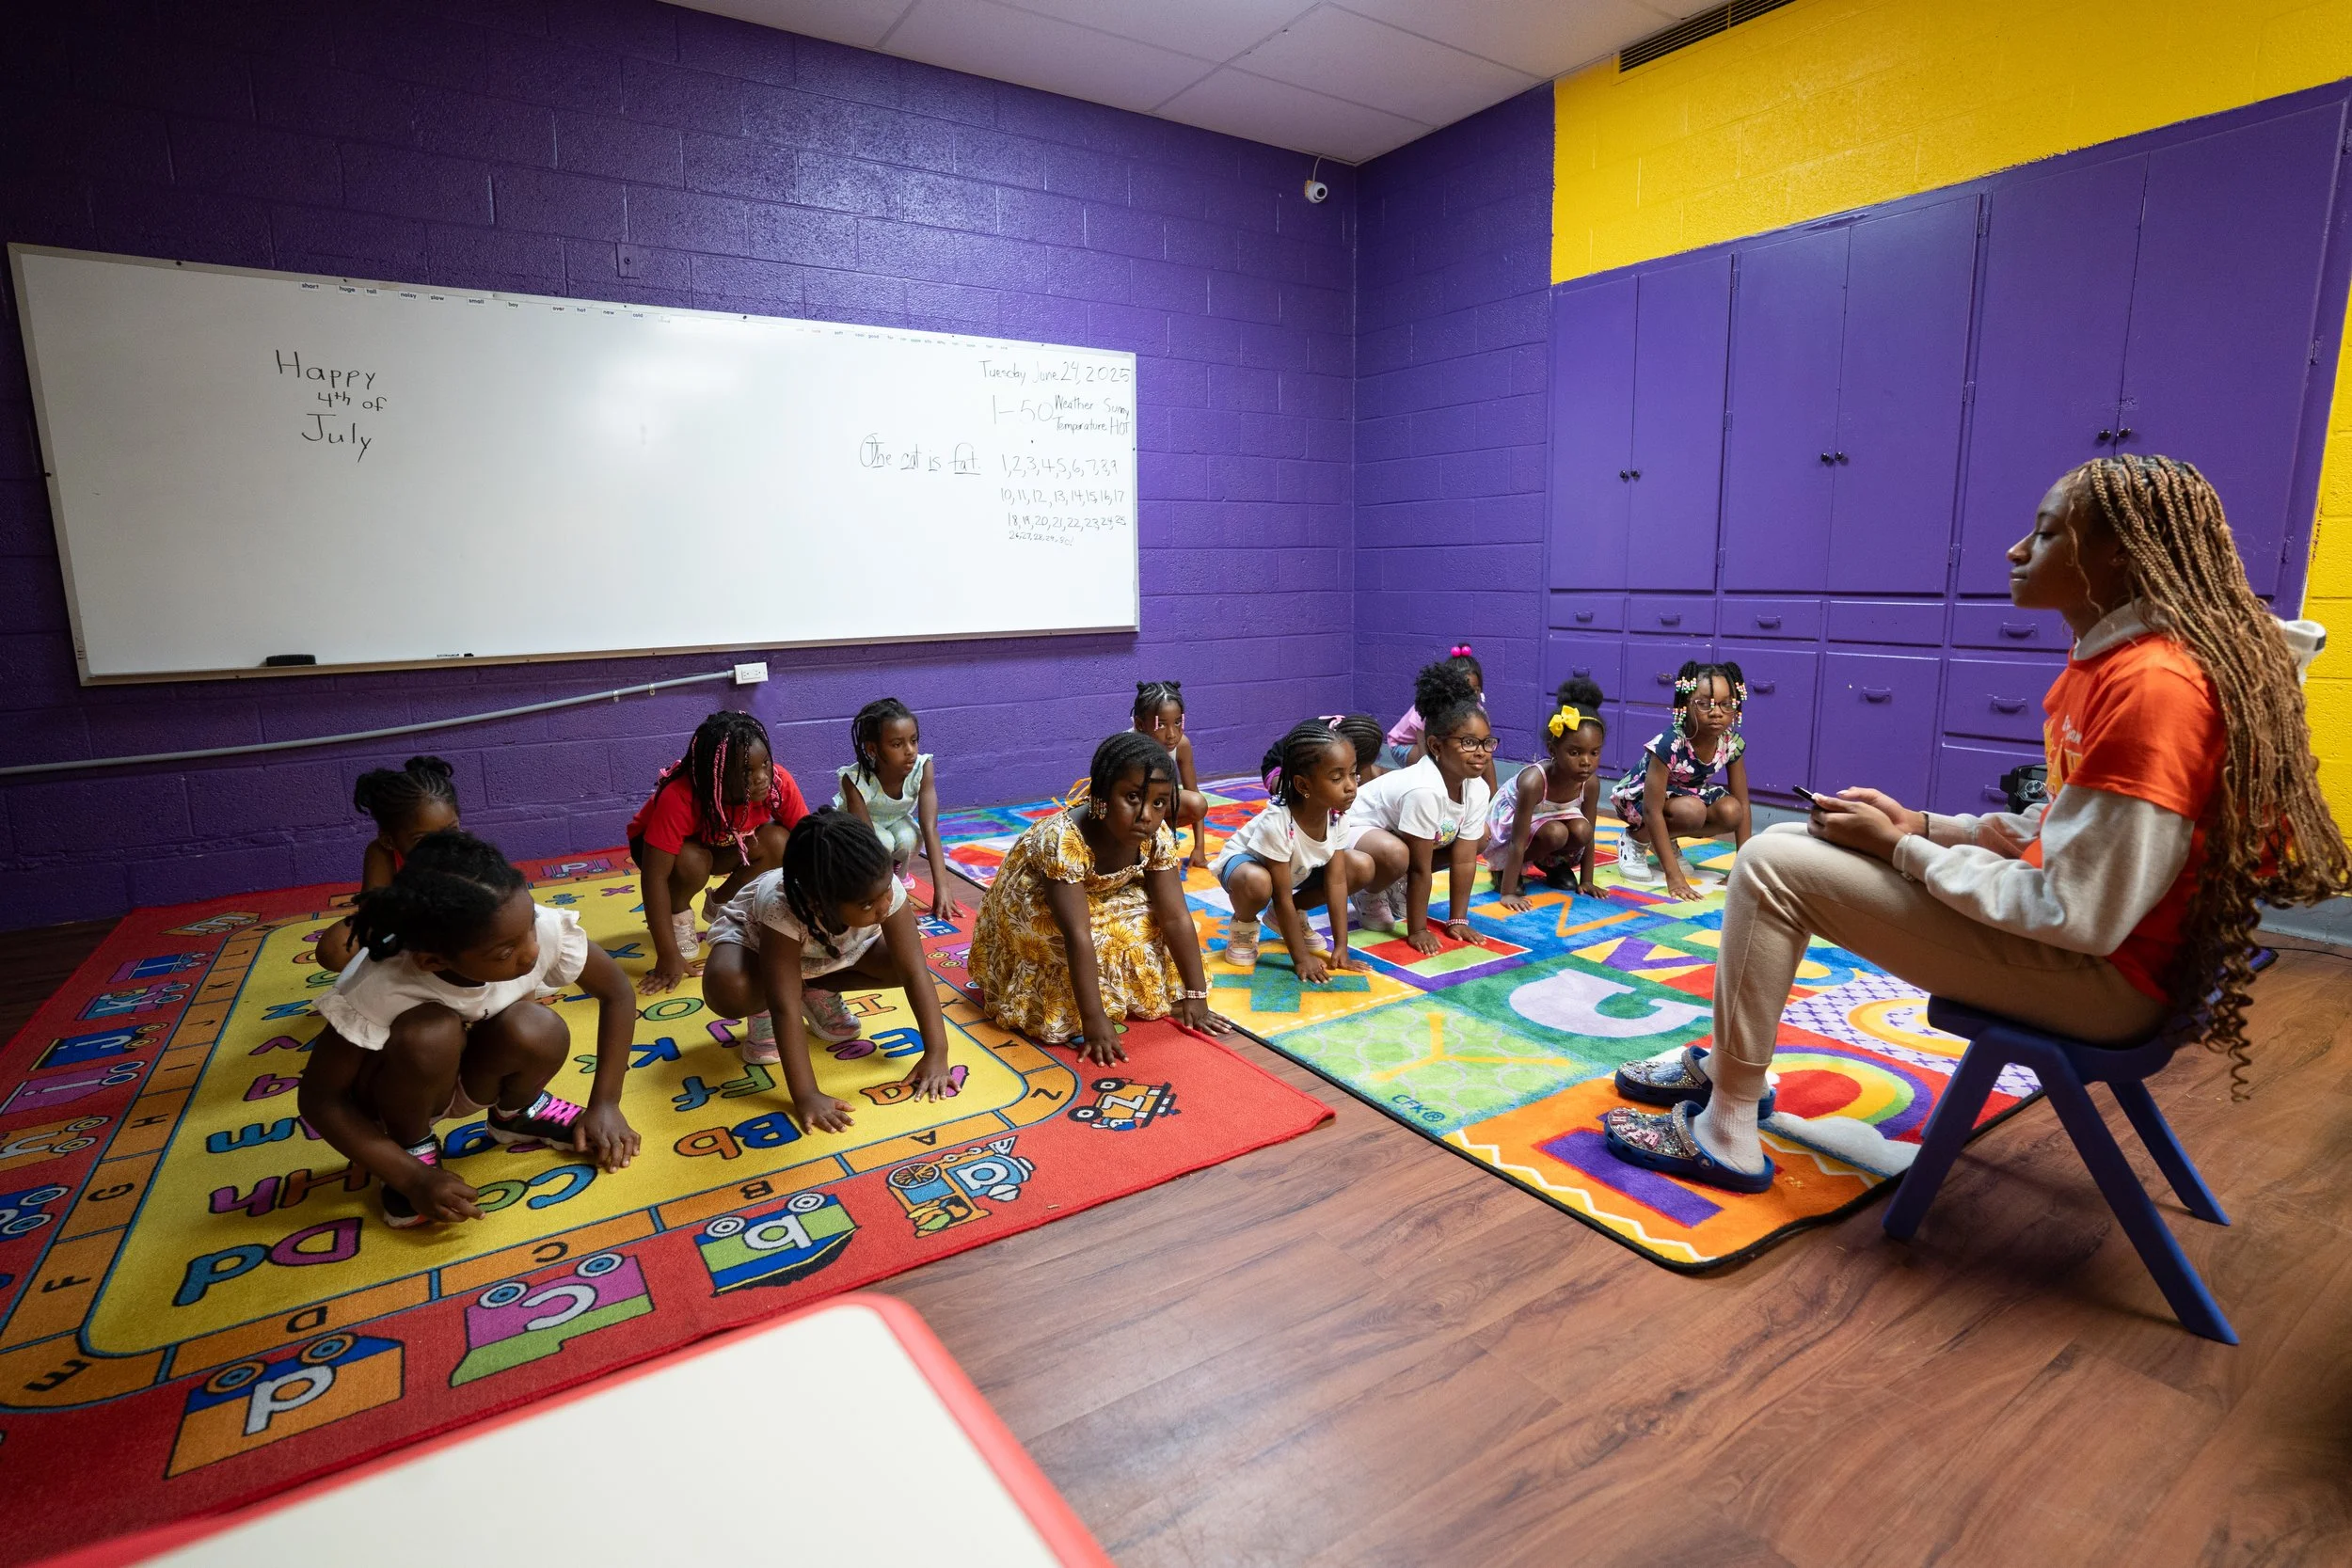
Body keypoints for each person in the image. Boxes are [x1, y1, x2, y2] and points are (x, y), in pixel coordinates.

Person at [1603, 454, 2352, 1192]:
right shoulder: (2127, 660)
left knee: (1770, 865)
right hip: (2107, 957)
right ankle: (1735, 1066)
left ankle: (1727, 1127)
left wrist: (1902, 850)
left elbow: (2076, 911)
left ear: (2117, 556)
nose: (2017, 550)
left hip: (2106, 981)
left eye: (2049, 534)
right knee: (1796, 840)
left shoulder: (2153, 686)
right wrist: (1922, 823)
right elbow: (2062, 826)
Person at [298, 831, 642, 1227]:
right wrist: (410, 1177)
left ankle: (516, 1113)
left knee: (538, 1025)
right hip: (397, 1092)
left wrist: (606, 1104)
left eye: (529, 924)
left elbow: (617, 992)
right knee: (430, 1032)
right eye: (505, 951)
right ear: (432, 961)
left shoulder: (528, 928)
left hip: (471, 1072)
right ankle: (413, 1146)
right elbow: (320, 1099)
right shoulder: (379, 983)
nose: (530, 950)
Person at [968, 732, 1229, 1064]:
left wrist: (1196, 996)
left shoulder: (1156, 834)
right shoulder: (1063, 839)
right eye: (1132, 797)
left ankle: (1121, 992)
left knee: (1152, 924)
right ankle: (1086, 1003)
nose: (1146, 815)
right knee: (1063, 940)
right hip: (1036, 897)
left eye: (1159, 802)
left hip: (1102, 888)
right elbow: (1077, 934)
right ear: (1102, 796)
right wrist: (1094, 1020)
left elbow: (1175, 915)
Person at [702, 809, 957, 1133]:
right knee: (728, 989)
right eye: (867, 904)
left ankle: (813, 989)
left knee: (904, 960)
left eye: (886, 892)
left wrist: (937, 1052)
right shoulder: (783, 907)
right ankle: (766, 1003)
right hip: (755, 943)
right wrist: (806, 1094)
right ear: (820, 902)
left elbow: (915, 972)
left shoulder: (878, 886)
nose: (883, 905)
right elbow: (784, 1005)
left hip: (827, 951)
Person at [628, 710, 808, 994]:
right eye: (747, 771)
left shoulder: (777, 782)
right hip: (670, 854)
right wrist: (666, 954)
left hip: (728, 843)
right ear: (718, 775)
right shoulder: (680, 795)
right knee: (693, 862)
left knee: (779, 841)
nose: (762, 777)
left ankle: (723, 903)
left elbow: (807, 841)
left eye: (765, 764)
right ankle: (678, 913)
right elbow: (654, 878)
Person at [1340, 662, 1495, 955]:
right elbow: (1420, 867)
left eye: (1487, 743)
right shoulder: (1425, 789)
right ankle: (1368, 891)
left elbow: (1463, 861)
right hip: (1353, 828)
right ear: (1435, 746)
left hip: (1395, 835)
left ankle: (1392, 882)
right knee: (1400, 856)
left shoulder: (1477, 787)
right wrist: (1419, 928)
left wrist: (1458, 920)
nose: (1481, 752)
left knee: (1481, 836)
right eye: (1469, 742)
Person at [1215, 719, 1366, 977]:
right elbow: (1280, 894)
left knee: (1360, 866)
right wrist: (1301, 959)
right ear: (1303, 785)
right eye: (1337, 777)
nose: (1351, 785)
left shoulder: (1337, 815)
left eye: (1353, 773)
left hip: (1294, 871)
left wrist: (1341, 947)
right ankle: (1244, 925)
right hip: (1243, 869)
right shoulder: (1279, 822)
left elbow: (1337, 881)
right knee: (1259, 883)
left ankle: (1289, 916)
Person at [1610, 660, 1752, 901]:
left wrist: (1742, 867)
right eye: (1704, 704)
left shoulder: (1730, 742)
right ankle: (1635, 840)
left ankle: (1666, 840)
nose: (1716, 712)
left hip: (1687, 797)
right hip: (1640, 801)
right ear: (1686, 705)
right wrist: (1673, 876)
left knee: (1732, 811)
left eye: (1726, 704)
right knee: (1692, 812)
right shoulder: (1669, 743)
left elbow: (1744, 804)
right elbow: (1653, 810)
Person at [316, 756, 461, 973]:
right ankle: (399, 970)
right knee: (335, 947)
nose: (442, 846)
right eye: (422, 840)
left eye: (451, 830)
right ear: (389, 840)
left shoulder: (465, 849)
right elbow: (373, 910)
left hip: (459, 929)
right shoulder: (381, 852)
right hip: (406, 930)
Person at [833, 697, 957, 923]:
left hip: (894, 822)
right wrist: (894, 905)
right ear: (873, 749)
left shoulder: (923, 767)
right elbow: (867, 841)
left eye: (913, 740)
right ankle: (885, 887)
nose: (910, 751)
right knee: (883, 843)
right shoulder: (856, 780)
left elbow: (930, 828)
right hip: (857, 837)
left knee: (910, 837)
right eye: (897, 744)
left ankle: (897, 877)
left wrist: (943, 887)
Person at [1490, 680, 1606, 909]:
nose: (1586, 762)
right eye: (1575, 752)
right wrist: (1508, 893)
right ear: (1553, 750)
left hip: (1549, 820)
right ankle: (1504, 872)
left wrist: (1588, 881)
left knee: (1582, 830)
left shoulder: (1590, 783)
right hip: (1513, 828)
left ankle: (1553, 865)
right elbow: (1517, 839)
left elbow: (1589, 837)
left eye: (1594, 753)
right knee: (1555, 833)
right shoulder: (1535, 781)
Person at [1133, 679, 1214, 870]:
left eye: (1178, 723)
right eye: (1161, 725)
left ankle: (1155, 841)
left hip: (1154, 808)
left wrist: (1199, 848)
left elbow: (1193, 791)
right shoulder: (1130, 749)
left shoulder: (1182, 744)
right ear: (1140, 724)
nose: (1171, 734)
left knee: (1197, 804)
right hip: (1130, 813)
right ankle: (1136, 849)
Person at [1381, 643, 1486, 773]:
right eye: (1463, 691)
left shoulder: (1476, 709)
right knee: (1438, 764)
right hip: (1405, 745)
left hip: (1436, 742)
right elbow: (1425, 753)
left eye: (1475, 691)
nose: (1469, 696)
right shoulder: (1431, 707)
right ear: (1448, 688)